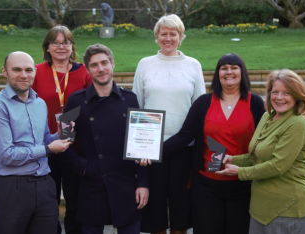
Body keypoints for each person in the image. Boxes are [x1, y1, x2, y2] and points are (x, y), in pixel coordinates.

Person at [151, 53, 265, 234]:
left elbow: (264, 141)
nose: (229, 72)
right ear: (217, 74)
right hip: (206, 185)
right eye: (224, 68)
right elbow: (184, 136)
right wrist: (153, 150)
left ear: (242, 72)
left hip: (243, 184)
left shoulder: (255, 103)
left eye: (234, 67)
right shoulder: (203, 102)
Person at [63, 43, 149, 234]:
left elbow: (143, 143)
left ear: (112, 64)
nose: (100, 69)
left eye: (104, 63)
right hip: (91, 184)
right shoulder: (75, 101)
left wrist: (143, 183)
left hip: (126, 183)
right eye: (94, 65)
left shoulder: (131, 99)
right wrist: (81, 166)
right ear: (87, 69)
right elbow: (63, 141)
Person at [132, 14, 206, 234]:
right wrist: (139, 146)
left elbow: (199, 107)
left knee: (181, 208)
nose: (168, 38)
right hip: (151, 150)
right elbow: (138, 105)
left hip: (184, 148)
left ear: (181, 37)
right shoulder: (145, 64)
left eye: (173, 34)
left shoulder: (193, 65)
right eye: (163, 34)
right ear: (156, 37)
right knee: (154, 211)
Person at [217, 69, 305, 234]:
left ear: (297, 96)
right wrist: (232, 160)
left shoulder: (298, 123)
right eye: (275, 92)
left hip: (287, 209)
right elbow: (256, 155)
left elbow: (277, 166)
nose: (279, 97)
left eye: (287, 93)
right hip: (260, 208)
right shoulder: (267, 117)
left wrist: (240, 172)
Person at [0, 51, 72, 234]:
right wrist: (48, 149)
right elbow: (6, 155)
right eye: (16, 70)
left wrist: (57, 135)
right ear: (5, 71)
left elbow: (43, 141)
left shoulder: (40, 104)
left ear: (35, 72)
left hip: (44, 185)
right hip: (12, 188)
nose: (23, 75)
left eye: (28, 70)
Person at [32, 25, 92, 234]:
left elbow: (92, 103)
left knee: (75, 199)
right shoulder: (37, 71)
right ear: (47, 47)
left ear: (71, 46)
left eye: (66, 42)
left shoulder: (83, 71)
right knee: (49, 201)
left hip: (75, 146)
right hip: (47, 144)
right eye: (55, 42)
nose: (61, 46)